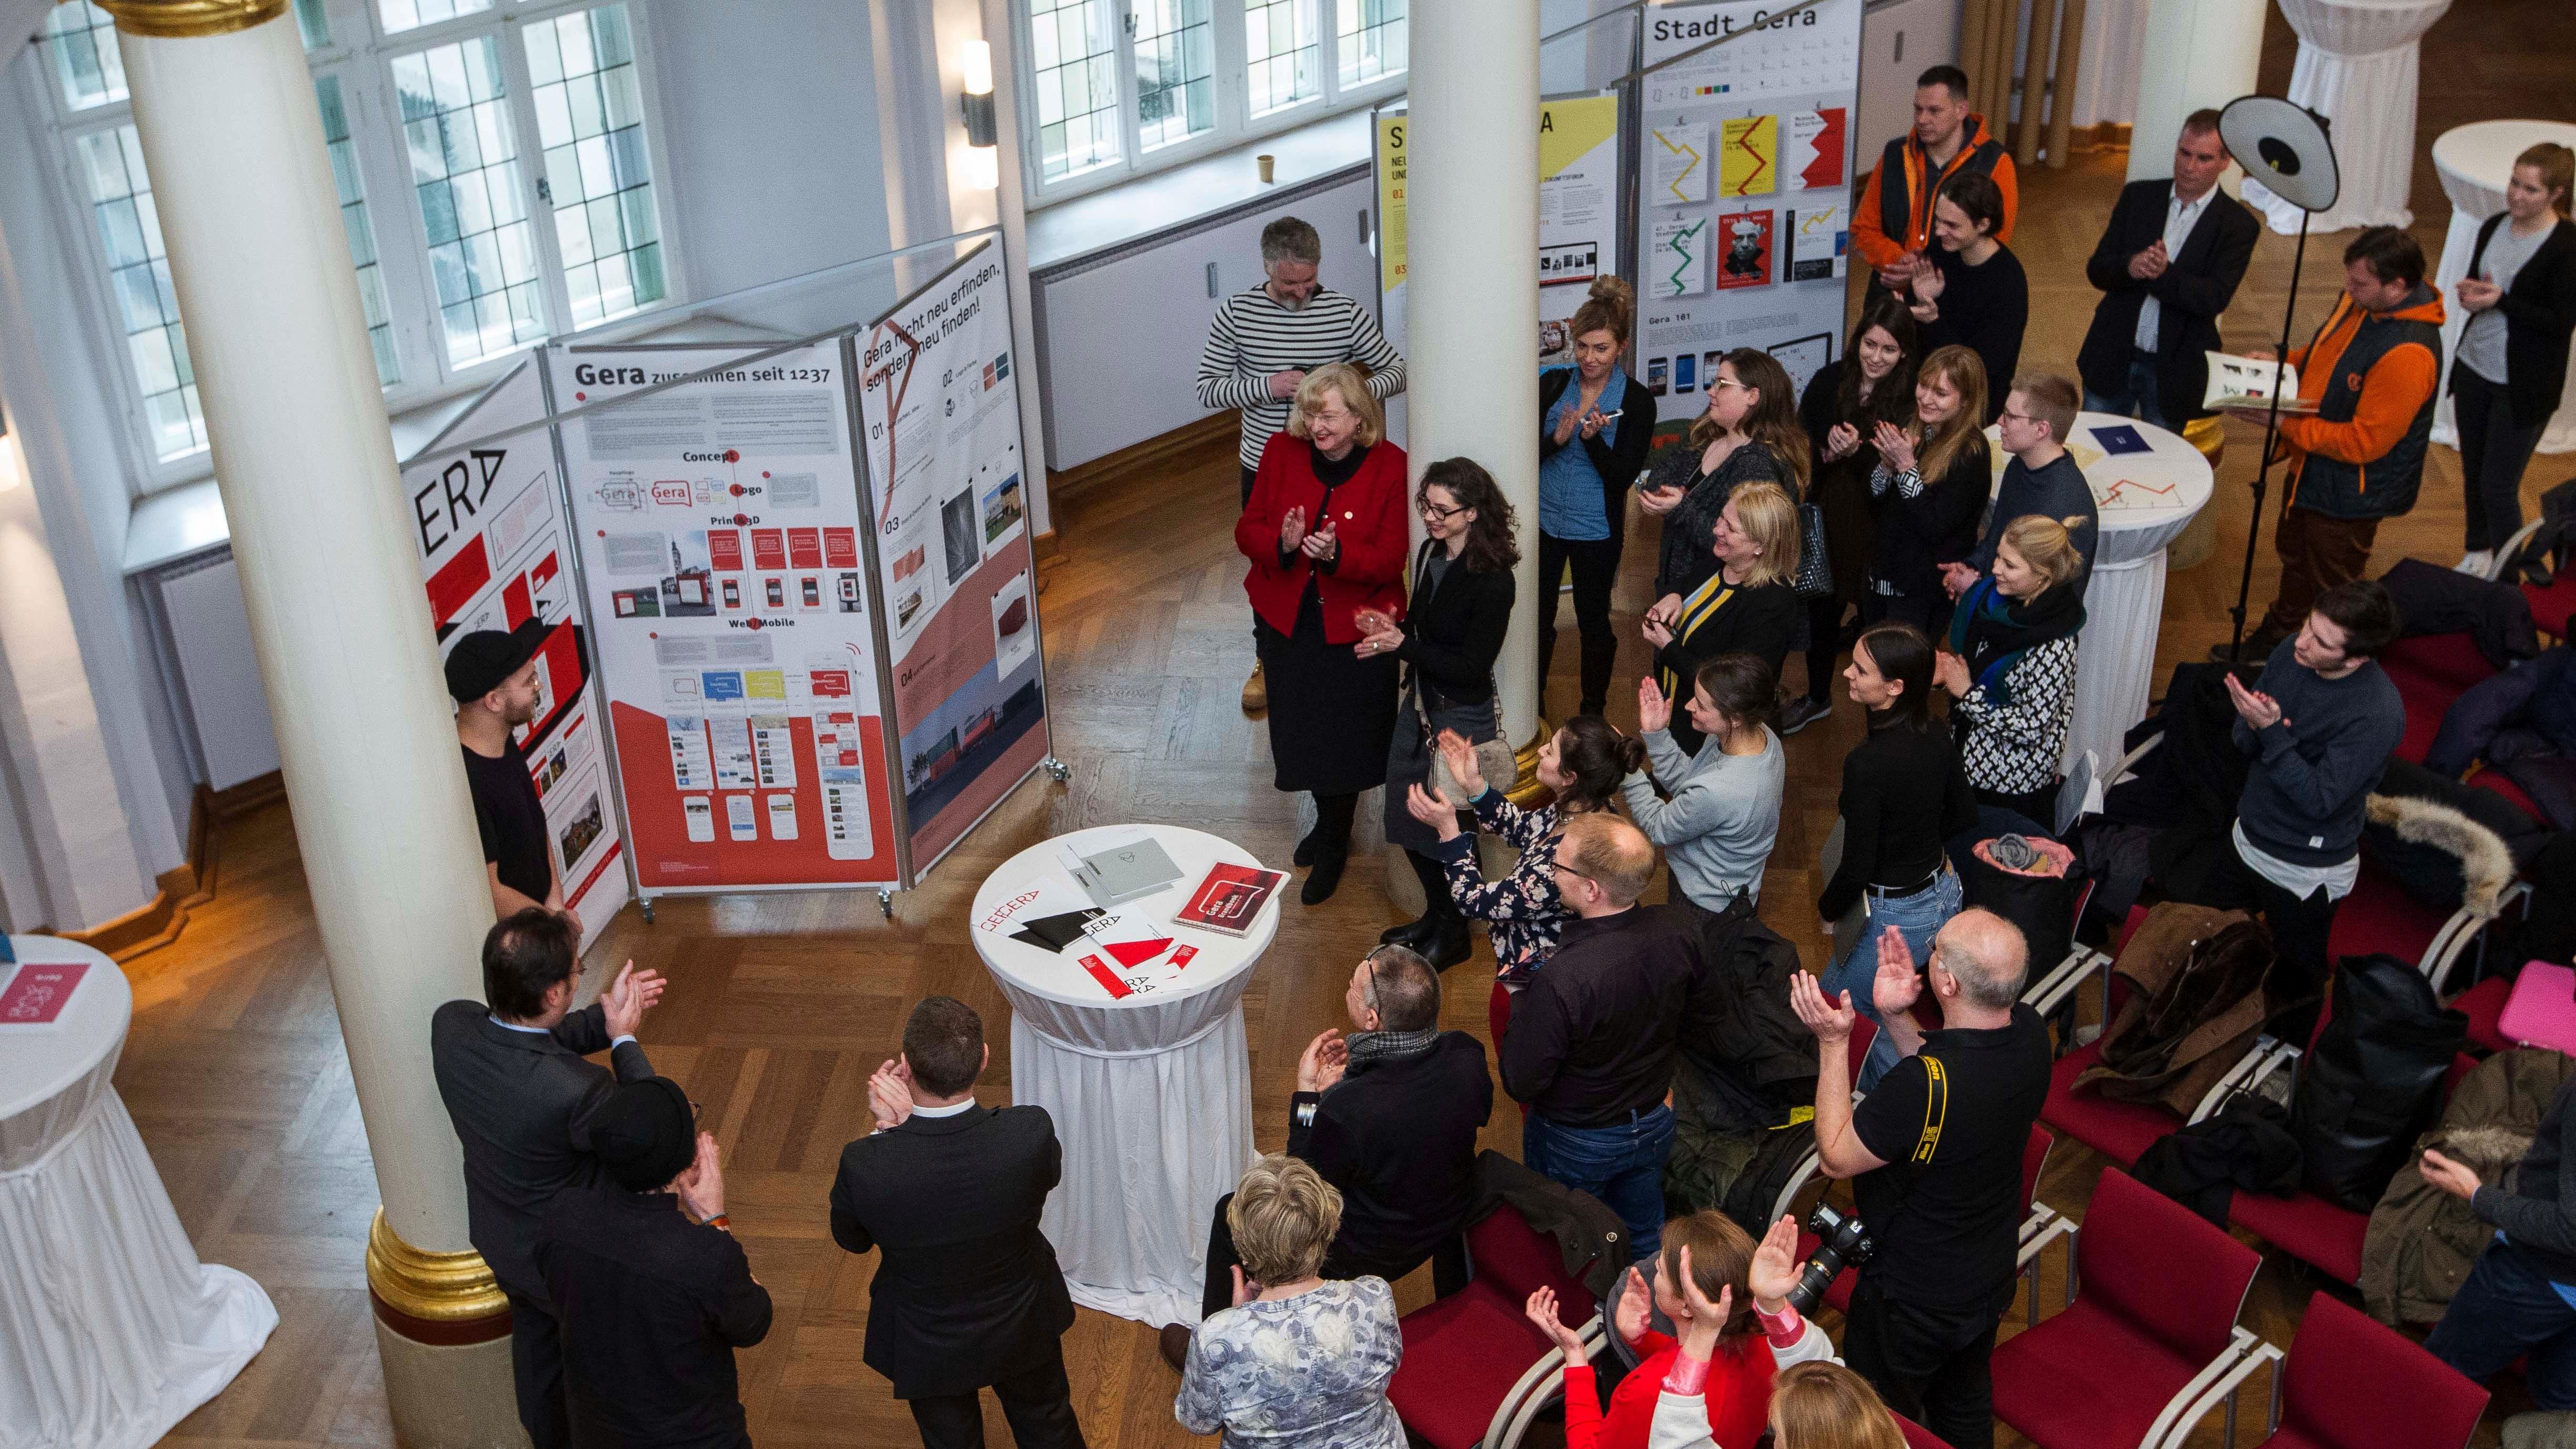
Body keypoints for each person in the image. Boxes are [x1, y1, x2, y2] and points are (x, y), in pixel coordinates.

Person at [1788, 909, 2052, 1449]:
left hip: (1913, 1297)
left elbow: (1836, 1158)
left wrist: (1834, 1045)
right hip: (1987, 1274)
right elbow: (1945, 1082)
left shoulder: (1920, 1088)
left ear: (1948, 982)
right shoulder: (2028, 1032)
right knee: (1963, 1406)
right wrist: (1896, 1018)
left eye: (1937, 946)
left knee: (1886, 1421)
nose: (1928, 952)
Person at [1181, 945, 1491, 1363]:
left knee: (1228, 1213)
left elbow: (1297, 1186)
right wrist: (1357, 1080)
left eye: (1353, 984)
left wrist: (1308, 1093)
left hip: (1367, 1249)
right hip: (1444, 1216)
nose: (1346, 986)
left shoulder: (1349, 1112)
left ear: (1371, 1020)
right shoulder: (1467, 1054)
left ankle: (1215, 1352)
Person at [430, 910, 666, 1449]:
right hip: (569, 1265)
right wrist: (625, 1041)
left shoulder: (452, 1027)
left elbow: (526, 1042)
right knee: (608, 1375)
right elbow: (646, 1134)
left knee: (538, 1364)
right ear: (556, 993)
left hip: (502, 1242)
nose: (580, 979)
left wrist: (601, 1025)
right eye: (577, 974)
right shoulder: (580, 1090)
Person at [829, 998, 1082, 1449]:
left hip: (928, 1340)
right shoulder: (1029, 1132)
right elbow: (1051, 1175)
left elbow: (851, 1239)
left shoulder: (868, 1163)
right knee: (1049, 1426)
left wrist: (891, 1133)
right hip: (1022, 1316)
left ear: (906, 1065)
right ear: (984, 1058)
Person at [1196, 215, 1409, 716]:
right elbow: (1208, 390)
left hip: (1340, 464)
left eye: (1308, 281)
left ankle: (1333, 644)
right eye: (1289, 282)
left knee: (1340, 558)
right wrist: (1268, 387)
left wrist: (1344, 401)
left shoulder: (1344, 312)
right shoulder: (1236, 313)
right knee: (1271, 564)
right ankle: (1267, 659)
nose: (1300, 292)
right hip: (1266, 466)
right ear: (1267, 266)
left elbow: (1397, 371)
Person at [2181, 580, 2406, 1011]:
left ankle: (2286, 1068)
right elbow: (2244, 745)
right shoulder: (2291, 653)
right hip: (2248, 836)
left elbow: (2320, 800)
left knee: (2292, 986)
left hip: (2303, 871)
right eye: (2306, 626)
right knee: (2200, 938)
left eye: (2320, 642)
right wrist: (2251, 724)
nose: (2300, 643)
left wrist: (2271, 733)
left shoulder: (2378, 714)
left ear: (2357, 658)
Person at [2226, 227, 2447, 658]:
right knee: (2294, 556)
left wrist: (2283, 423)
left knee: (2333, 585)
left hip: (2351, 493)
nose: (2348, 290)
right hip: (2312, 467)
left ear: (2397, 287)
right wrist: (2283, 363)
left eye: (2360, 284)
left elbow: (2365, 443)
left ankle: (2326, 661)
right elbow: (2328, 355)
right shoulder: (2364, 301)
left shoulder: (2409, 355)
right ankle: (2279, 640)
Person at [1236, 363, 1410, 905]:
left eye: (1328, 414)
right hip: (1288, 621)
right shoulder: (1278, 452)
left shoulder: (1392, 466)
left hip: (1356, 631)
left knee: (1347, 739)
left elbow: (1390, 558)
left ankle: (1336, 838)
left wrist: (1338, 556)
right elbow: (1248, 531)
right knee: (1304, 732)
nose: (1316, 424)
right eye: (1310, 412)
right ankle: (1328, 823)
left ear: (1360, 419)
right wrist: (1284, 545)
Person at [1499, 813, 1703, 1259]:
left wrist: (1520, 994)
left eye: (1559, 864)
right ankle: (1649, 1310)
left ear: (1592, 889)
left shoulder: (1562, 980)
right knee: (1646, 1231)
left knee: (1578, 1240)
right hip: (1654, 1118)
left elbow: (1521, 1080)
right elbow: (1701, 1015)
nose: (1551, 869)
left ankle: (1595, 1317)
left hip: (1579, 1138)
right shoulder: (1679, 928)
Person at [537, 1079, 770, 1449]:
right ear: (684, 1159)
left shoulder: (562, 1216)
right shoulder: (702, 1256)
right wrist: (716, 1220)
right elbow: (753, 1324)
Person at [1363, 458, 1518, 966]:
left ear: (1473, 513)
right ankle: (1436, 915)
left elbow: (1472, 667)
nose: (1430, 518)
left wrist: (1403, 644)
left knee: (1449, 826)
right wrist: (1391, 631)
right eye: (1425, 505)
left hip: (1459, 716)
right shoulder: (1431, 550)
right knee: (1407, 815)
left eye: (1442, 510)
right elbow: (1420, 625)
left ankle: (1453, 932)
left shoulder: (1494, 580)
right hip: (1423, 704)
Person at [1408, 718, 1644, 1046]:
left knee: (1523, 1065)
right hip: (1537, 964)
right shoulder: (1585, 809)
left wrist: (1449, 832)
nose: (1542, 751)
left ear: (1570, 777)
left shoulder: (1558, 869)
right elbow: (1523, 827)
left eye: (1550, 751)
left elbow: (1473, 901)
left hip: (1532, 982)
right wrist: (1476, 786)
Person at [1814, 623, 1975, 1092]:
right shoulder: (1937, 731)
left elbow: (1858, 864)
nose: (1847, 673)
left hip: (1896, 914)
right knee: (1878, 1006)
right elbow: (1963, 813)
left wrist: (1828, 912)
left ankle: (1912, 1097)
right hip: (1943, 893)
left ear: (1895, 687)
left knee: (1837, 1004)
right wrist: (1912, 840)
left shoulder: (1867, 762)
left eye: (1860, 669)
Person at [1529, 1215, 1836, 1449]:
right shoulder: (1765, 1347)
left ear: (1689, 1307)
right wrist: (1641, 1340)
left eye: (1660, 1270)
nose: (1652, 1273)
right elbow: (1706, 1374)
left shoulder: (1645, 1391)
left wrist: (1575, 1357)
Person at [1176, 1154, 1405, 1449]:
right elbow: (1391, 1365)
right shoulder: (1375, 1297)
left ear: (1244, 1254)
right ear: (1327, 1232)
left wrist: (1235, 1325)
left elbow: (1198, 1422)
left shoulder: (1216, 1340)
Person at [2077, 109, 2260, 429]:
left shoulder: (2237, 226)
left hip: (2173, 372)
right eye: (2184, 153)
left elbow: (2214, 298)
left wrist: (2163, 275)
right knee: (2091, 449)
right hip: (2113, 355)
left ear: (2225, 161)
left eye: (2203, 159)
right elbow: (2097, 270)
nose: (2189, 167)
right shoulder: (2139, 197)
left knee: (2159, 470)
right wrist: (2130, 267)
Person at [1792, 298, 1921, 736]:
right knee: (1821, 610)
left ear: (1904, 353)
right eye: (1870, 344)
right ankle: (1817, 696)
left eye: (1889, 349)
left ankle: (1882, 715)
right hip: (1826, 515)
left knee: (1875, 619)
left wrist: (1858, 454)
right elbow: (1802, 440)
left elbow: (1891, 479)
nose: (1876, 357)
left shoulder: (1909, 401)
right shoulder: (1831, 380)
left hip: (1876, 526)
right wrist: (1827, 451)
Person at [2451, 142, 2576, 575]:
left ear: (2557, 194)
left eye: (2530, 189)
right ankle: (2477, 552)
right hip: (2474, 365)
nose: (2516, 195)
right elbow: (2484, 282)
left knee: (2498, 486)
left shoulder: (2568, 246)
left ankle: (2510, 582)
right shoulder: (2493, 226)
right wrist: (2473, 297)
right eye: (2514, 183)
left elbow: (2561, 323)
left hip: (2522, 384)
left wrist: (2502, 301)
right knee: (2473, 473)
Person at [2421, 1071, 2576, 1412]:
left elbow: (2571, 1229)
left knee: (2439, 1379)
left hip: (2536, 1273)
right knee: (2558, 1399)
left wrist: (2477, 1196)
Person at [1541, 276, 1659, 717]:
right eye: (1583, 347)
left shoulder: (1638, 402)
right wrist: (1557, 438)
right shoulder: (1553, 384)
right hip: (1544, 523)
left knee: (1593, 622)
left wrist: (1591, 441)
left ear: (1622, 346)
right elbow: (1527, 455)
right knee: (1538, 619)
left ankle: (1592, 712)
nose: (1589, 358)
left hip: (1596, 530)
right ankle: (1531, 706)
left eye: (1601, 349)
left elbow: (1622, 478)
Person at [1938, 515, 2088, 826]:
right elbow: (1977, 666)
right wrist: (1950, 678)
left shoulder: (2055, 644)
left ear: (2043, 577)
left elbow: (2031, 728)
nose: (1995, 570)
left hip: (2008, 787)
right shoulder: (1995, 602)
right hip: (1970, 760)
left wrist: (1966, 693)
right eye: (1997, 557)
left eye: (2010, 565)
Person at [1640, 349, 1809, 624]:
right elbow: (1660, 475)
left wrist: (1680, 507)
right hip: (1682, 590)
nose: (1711, 391)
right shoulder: (1711, 436)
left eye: (1722, 384)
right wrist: (1668, 500)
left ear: (1753, 397)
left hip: (1717, 602)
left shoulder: (1756, 465)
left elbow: (1743, 544)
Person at [1643, 480, 1803, 757]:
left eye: (1731, 528)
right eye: (1721, 519)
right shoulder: (1722, 560)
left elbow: (1733, 686)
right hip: (1683, 713)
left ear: (1760, 546)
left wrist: (1667, 647)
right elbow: (1685, 583)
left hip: (1718, 739)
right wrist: (1674, 596)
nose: (1717, 530)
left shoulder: (1772, 605)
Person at [1627, 655, 1786, 918]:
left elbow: (1658, 826)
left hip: (1704, 905)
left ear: (1734, 717)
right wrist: (1656, 734)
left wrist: (1627, 771)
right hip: (1734, 891)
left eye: (1701, 705)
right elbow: (1692, 783)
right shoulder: (1761, 737)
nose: (1688, 706)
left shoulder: (1720, 792)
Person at [450, 620, 579, 932]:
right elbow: (492, 890)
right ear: (494, 701)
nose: (538, 688)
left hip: (542, 923)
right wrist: (553, 925)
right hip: (520, 937)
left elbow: (536, 822)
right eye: (529, 682)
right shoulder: (467, 780)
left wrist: (555, 902)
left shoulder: (504, 740)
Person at [1853, 65, 2018, 308]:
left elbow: (1994, 248)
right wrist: (1900, 261)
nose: (1922, 120)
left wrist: (1926, 275)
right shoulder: (1894, 154)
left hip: (1955, 300)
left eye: (1934, 111)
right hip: (1890, 296)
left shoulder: (1995, 162)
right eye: (1918, 110)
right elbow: (1863, 230)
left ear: (1962, 110)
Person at [1866, 345, 1990, 635]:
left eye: (1941, 394)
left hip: (1920, 590)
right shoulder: (1912, 422)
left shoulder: (1971, 453)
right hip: (1882, 573)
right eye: (1923, 386)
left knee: (1903, 674)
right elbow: (1874, 503)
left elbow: (1934, 526)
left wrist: (1906, 467)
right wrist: (1885, 467)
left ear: (1965, 402)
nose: (1926, 399)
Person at [1947, 373, 2098, 600]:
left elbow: (2038, 601)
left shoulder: (2062, 505)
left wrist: (1976, 589)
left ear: (2041, 429)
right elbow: (1996, 535)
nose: (1999, 421)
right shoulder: (2021, 464)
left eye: (2010, 416)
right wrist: (1972, 567)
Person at [1904, 173, 2026, 424]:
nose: (1939, 231)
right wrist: (1917, 298)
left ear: (1983, 225)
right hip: (1928, 393)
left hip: (1970, 411)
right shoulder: (1942, 250)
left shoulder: (2008, 283)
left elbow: (1979, 368)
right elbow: (1913, 322)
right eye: (1938, 221)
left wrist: (1934, 320)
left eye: (1952, 225)